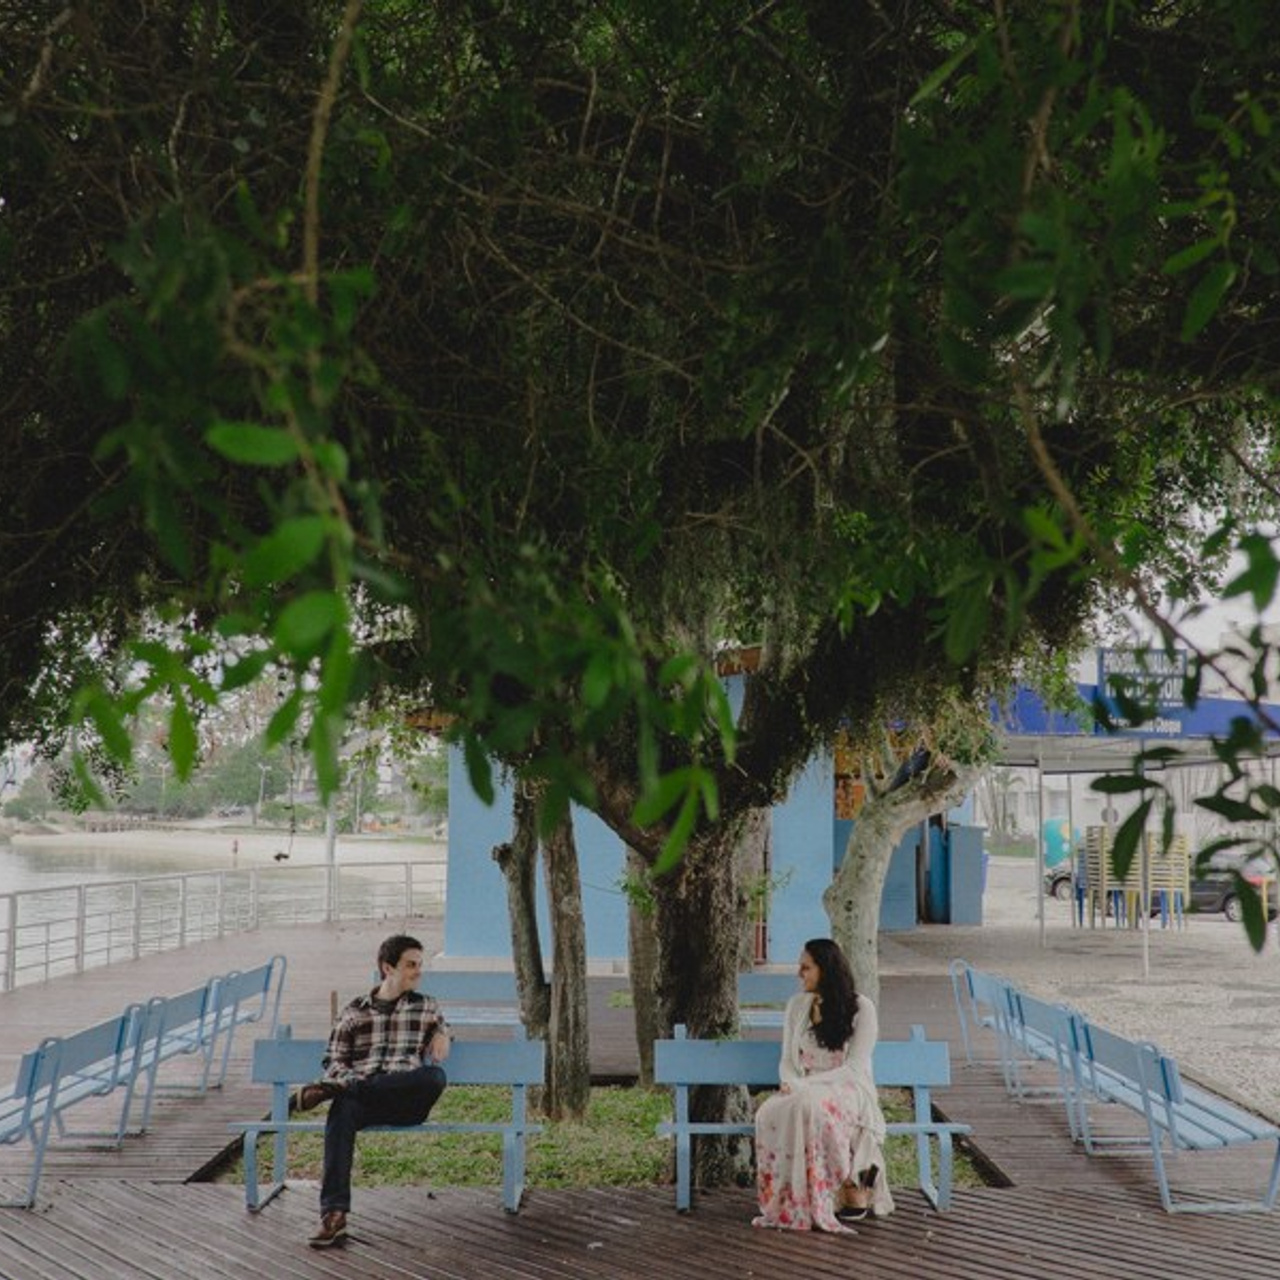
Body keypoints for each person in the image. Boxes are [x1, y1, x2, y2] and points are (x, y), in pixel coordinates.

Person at [298, 933, 451, 1249]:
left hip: (405, 1103)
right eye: (411, 965)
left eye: (420, 965)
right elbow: (334, 1060)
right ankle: (334, 1216)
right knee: (341, 1111)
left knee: (434, 1077)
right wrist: (346, 1079)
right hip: (364, 1105)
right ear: (387, 967)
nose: (418, 972)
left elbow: (443, 1027)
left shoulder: (426, 1006)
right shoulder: (355, 1011)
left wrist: (443, 1032)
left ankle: (332, 1091)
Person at [752, 937, 893, 1232]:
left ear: (825, 970)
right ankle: (791, 1200)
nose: (799, 974)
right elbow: (788, 1060)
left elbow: (854, 1068)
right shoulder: (797, 1006)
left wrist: (808, 1087)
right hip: (803, 1087)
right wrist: (793, 1083)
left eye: (806, 968)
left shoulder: (861, 1008)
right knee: (768, 1112)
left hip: (847, 1087)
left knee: (812, 1106)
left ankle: (833, 1191)